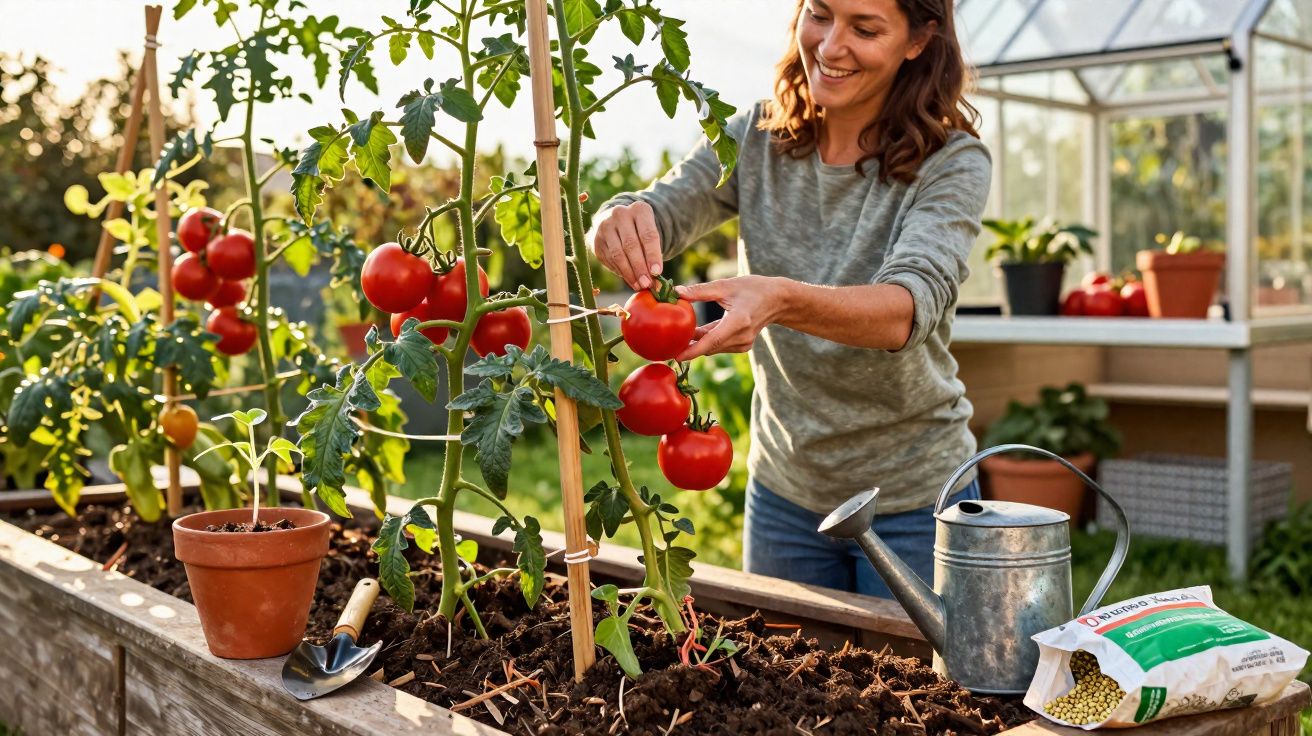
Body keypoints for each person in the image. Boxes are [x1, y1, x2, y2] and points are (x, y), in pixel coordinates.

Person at [589, 0, 990, 599]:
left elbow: (908, 308)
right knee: (783, 657)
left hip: (915, 502)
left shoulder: (952, 161)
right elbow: (661, 209)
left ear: (918, 39)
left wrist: (778, 299)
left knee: (914, 664)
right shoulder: (755, 136)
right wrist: (617, 218)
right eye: (820, 14)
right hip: (784, 497)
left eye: (865, 28)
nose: (829, 46)